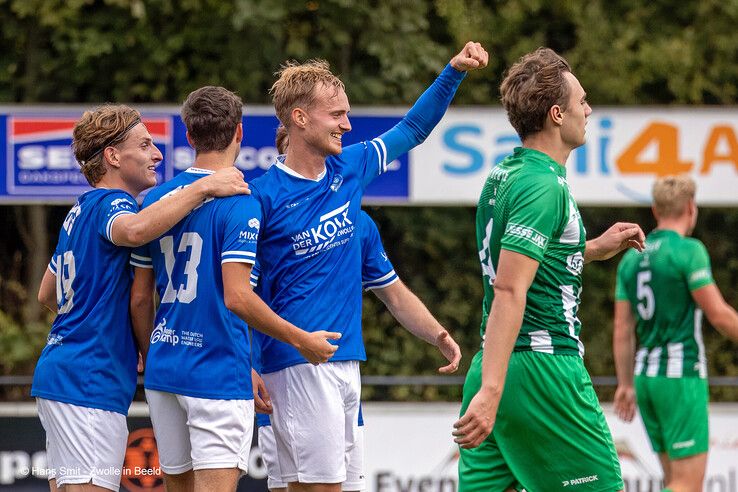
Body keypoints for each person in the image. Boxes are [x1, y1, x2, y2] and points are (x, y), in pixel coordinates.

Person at [250, 43, 486, 491]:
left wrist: (453, 71)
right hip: (296, 365)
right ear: (299, 118)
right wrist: (250, 363)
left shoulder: (349, 168)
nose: (347, 124)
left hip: (345, 366)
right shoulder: (261, 198)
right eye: (336, 114)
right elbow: (239, 294)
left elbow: (414, 128)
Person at [128, 87, 340, 492]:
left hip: (165, 369)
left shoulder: (154, 199)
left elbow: (140, 297)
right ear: (239, 133)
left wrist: (152, 350)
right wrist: (302, 341)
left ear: (189, 136)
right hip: (215, 373)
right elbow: (237, 296)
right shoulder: (242, 200)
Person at [453, 47, 646, 492]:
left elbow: (530, 260)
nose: (589, 109)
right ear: (557, 115)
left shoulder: (506, 174)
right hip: (541, 372)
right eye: (582, 101)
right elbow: (509, 289)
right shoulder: (543, 186)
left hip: (493, 364)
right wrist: (494, 393)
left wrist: (593, 247)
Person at [32, 104, 249, 492]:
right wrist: (202, 186)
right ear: (113, 156)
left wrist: (94, 323)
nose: (158, 154)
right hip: (89, 379)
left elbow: (47, 292)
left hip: (61, 370)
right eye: (145, 144)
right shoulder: (114, 204)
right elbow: (132, 232)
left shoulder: (80, 209)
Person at [253, 207, 462, 492]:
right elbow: (237, 297)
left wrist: (437, 334)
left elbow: (394, 294)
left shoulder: (356, 220)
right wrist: (246, 364)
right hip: (292, 372)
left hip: (346, 372)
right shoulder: (266, 206)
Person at [613, 175, 738, 492]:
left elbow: (623, 329)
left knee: (674, 480)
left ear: (655, 210)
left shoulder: (631, 258)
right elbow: (719, 315)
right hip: (679, 375)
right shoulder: (688, 251)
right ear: (691, 209)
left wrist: (626, 384)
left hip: (645, 378)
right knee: (687, 485)